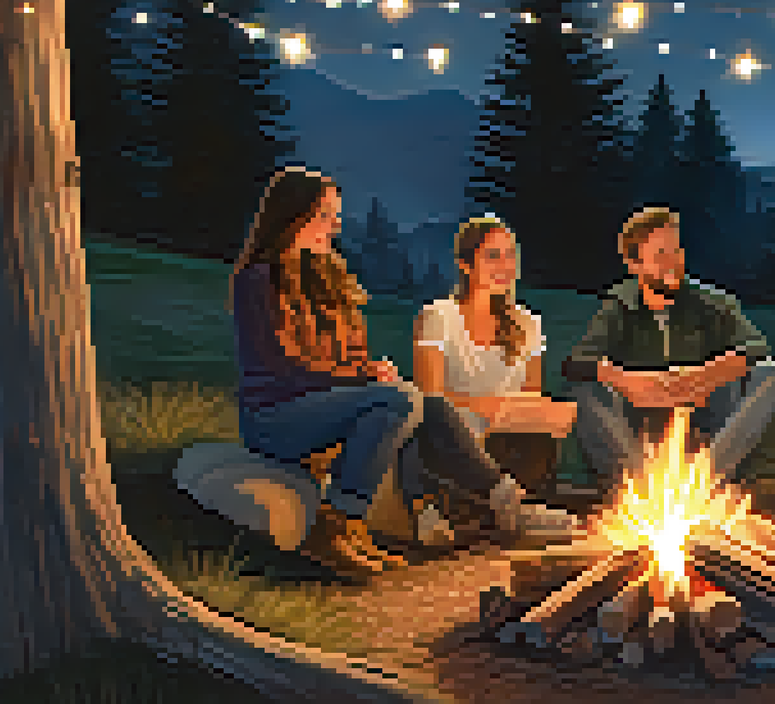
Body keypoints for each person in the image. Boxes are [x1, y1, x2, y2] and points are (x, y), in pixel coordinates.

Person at [230, 168, 572, 579]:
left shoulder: (330, 277)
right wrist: (360, 377)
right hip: (276, 418)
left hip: (323, 404)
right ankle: (337, 522)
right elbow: (284, 367)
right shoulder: (259, 282)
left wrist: (371, 369)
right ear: (292, 217)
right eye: (326, 215)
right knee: (398, 399)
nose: (336, 225)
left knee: (426, 405)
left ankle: (505, 504)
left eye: (336, 215)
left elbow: (351, 353)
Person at [563, 207, 775, 489]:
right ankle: (641, 488)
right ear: (635, 265)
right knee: (582, 386)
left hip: (704, 422)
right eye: (660, 255)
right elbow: (578, 362)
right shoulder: (620, 306)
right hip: (641, 429)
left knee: (771, 373)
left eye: (676, 251)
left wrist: (703, 376)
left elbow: (757, 348)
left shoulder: (712, 302)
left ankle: (703, 480)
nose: (673, 262)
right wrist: (629, 381)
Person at [413, 216, 577, 497]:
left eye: (510, 255)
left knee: (541, 430)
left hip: (510, 438)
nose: (505, 265)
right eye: (492, 256)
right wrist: (487, 405)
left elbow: (531, 398)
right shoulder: (438, 317)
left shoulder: (528, 323)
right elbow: (430, 400)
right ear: (466, 265)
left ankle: (519, 506)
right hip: (459, 441)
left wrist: (541, 411)